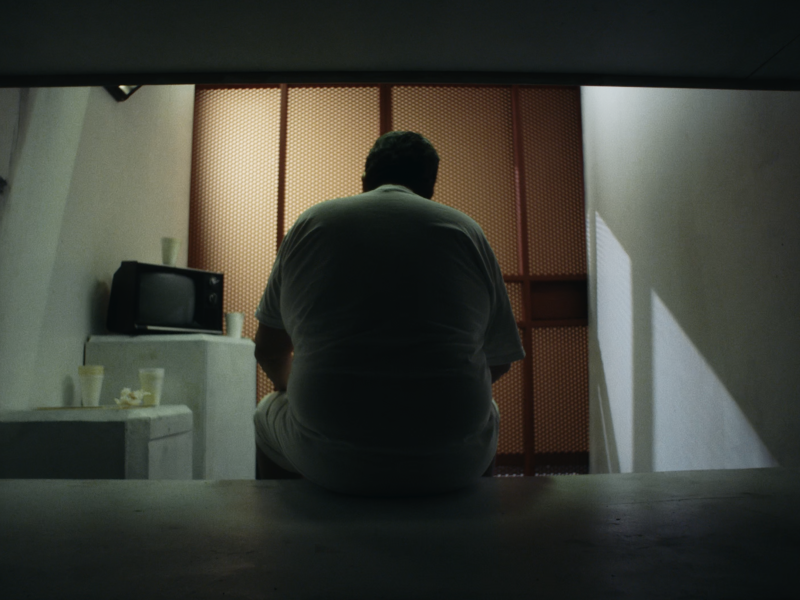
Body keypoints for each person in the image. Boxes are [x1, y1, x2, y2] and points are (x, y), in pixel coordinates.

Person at [252, 131, 525, 497]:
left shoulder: (312, 223)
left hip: (329, 460)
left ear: (364, 181)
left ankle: (278, 527)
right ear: (430, 188)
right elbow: (501, 361)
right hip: (452, 462)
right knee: (485, 410)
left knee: (265, 413)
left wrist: (297, 389)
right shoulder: (466, 231)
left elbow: (269, 350)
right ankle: (474, 524)